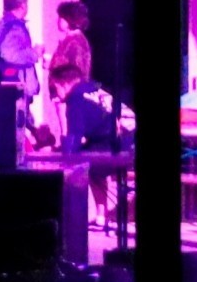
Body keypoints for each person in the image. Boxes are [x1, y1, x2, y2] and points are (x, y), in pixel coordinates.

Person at [51, 63, 134, 228]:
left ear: (64, 84)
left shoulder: (75, 98)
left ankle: (70, 218)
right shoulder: (95, 89)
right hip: (129, 140)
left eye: (55, 88)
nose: (55, 93)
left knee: (82, 164)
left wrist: (63, 157)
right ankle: (101, 216)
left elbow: (74, 138)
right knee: (92, 160)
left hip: (118, 146)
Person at [0, 0, 44, 129]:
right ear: (22, 5)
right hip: (15, 85)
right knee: (15, 127)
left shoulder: (2, 25)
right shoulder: (13, 27)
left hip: (7, 84)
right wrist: (34, 53)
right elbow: (8, 53)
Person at [47, 1, 93, 143]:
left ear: (70, 20)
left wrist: (53, 64)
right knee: (64, 123)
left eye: (61, 18)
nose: (58, 21)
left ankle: (69, 148)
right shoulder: (69, 40)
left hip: (69, 91)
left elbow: (78, 68)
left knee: (68, 125)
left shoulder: (76, 41)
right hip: (62, 91)